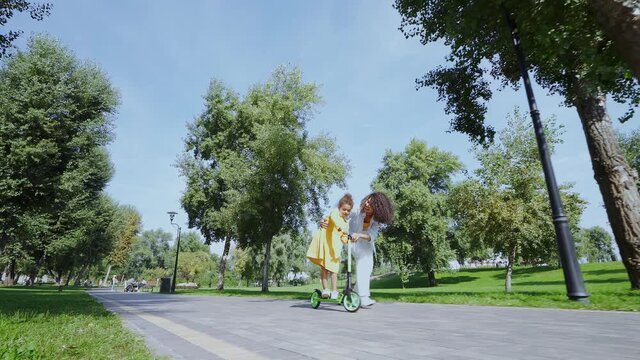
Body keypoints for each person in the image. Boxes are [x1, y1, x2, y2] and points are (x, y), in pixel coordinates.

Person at [321, 192, 394, 307]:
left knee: (367, 266)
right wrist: (325, 220)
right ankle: (363, 297)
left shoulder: (376, 220)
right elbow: (338, 214)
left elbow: (372, 235)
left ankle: (354, 293)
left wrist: (359, 235)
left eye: (371, 203)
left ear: (378, 208)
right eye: (367, 200)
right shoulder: (356, 210)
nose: (367, 204)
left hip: (364, 242)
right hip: (350, 240)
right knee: (365, 261)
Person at [306, 193, 354, 300]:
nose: (346, 212)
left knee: (334, 271)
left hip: (335, 250)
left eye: (348, 210)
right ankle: (325, 289)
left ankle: (335, 291)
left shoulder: (346, 223)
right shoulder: (334, 213)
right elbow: (333, 219)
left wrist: (349, 239)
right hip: (326, 246)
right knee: (324, 268)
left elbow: (343, 237)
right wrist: (339, 228)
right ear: (339, 208)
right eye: (344, 209)